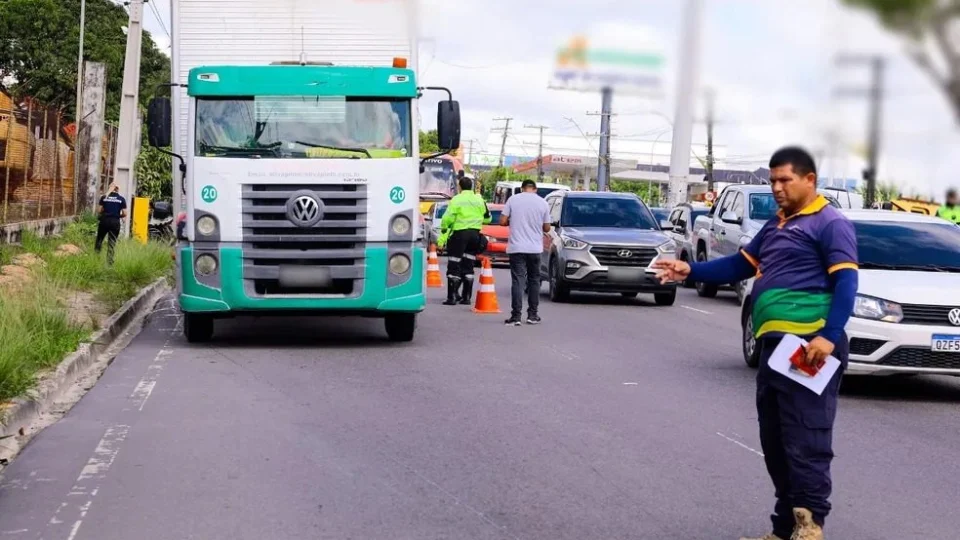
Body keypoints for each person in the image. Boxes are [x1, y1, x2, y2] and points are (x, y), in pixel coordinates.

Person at [654, 147, 859, 540]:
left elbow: (847, 281)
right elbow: (740, 265)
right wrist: (690, 269)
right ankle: (783, 528)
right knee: (775, 440)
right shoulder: (778, 224)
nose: (777, 188)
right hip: (775, 348)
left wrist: (829, 336)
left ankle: (810, 525)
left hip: (808, 345)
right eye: (772, 180)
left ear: (810, 180)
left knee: (806, 437)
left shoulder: (830, 223)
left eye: (785, 180)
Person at [499, 179, 551, 326]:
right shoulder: (543, 203)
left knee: (518, 281)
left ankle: (516, 316)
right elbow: (547, 228)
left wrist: (512, 221)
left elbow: (502, 221)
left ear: (522, 188)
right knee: (534, 280)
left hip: (516, 248)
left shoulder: (513, 200)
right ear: (535, 189)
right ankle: (532, 315)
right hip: (535, 249)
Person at [438, 175, 491, 305]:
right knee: (468, 264)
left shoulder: (457, 199)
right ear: (471, 187)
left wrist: (444, 229)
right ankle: (466, 298)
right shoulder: (479, 200)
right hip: (475, 235)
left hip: (460, 235)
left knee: (454, 264)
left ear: (460, 187)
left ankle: (452, 298)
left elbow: (447, 218)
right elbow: (488, 218)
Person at [95, 184, 127, 265]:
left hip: (104, 221)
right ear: (117, 189)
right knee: (112, 242)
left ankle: (95, 259)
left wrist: (105, 210)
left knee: (99, 240)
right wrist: (118, 215)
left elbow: (99, 210)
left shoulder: (104, 197)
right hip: (115, 222)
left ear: (109, 188)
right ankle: (109, 262)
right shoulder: (121, 199)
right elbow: (125, 213)